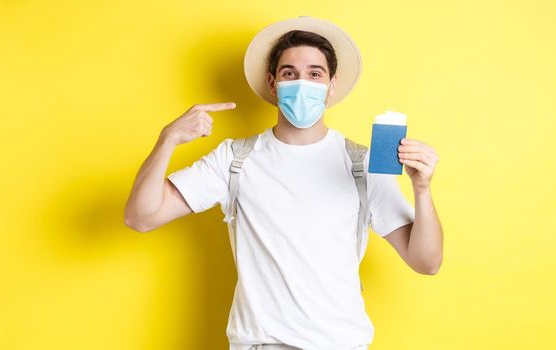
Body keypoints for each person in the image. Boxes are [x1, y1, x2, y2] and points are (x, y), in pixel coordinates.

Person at [124, 16, 444, 350]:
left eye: (314, 74)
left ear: (331, 85)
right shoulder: (235, 159)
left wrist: (422, 189)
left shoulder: (361, 163)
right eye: (290, 73)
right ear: (273, 83)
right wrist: (168, 139)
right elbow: (141, 217)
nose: (302, 82)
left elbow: (427, 261)